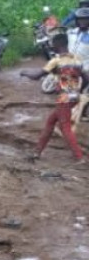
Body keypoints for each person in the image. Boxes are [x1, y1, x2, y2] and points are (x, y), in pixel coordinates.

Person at [24, 33, 86, 164]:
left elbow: (36, 76)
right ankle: (37, 152)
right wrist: (78, 90)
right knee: (51, 122)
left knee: (65, 128)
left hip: (64, 97)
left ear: (58, 44)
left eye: (53, 44)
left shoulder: (56, 61)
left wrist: (24, 72)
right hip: (74, 96)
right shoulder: (77, 59)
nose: (51, 46)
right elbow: (86, 78)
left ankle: (79, 157)